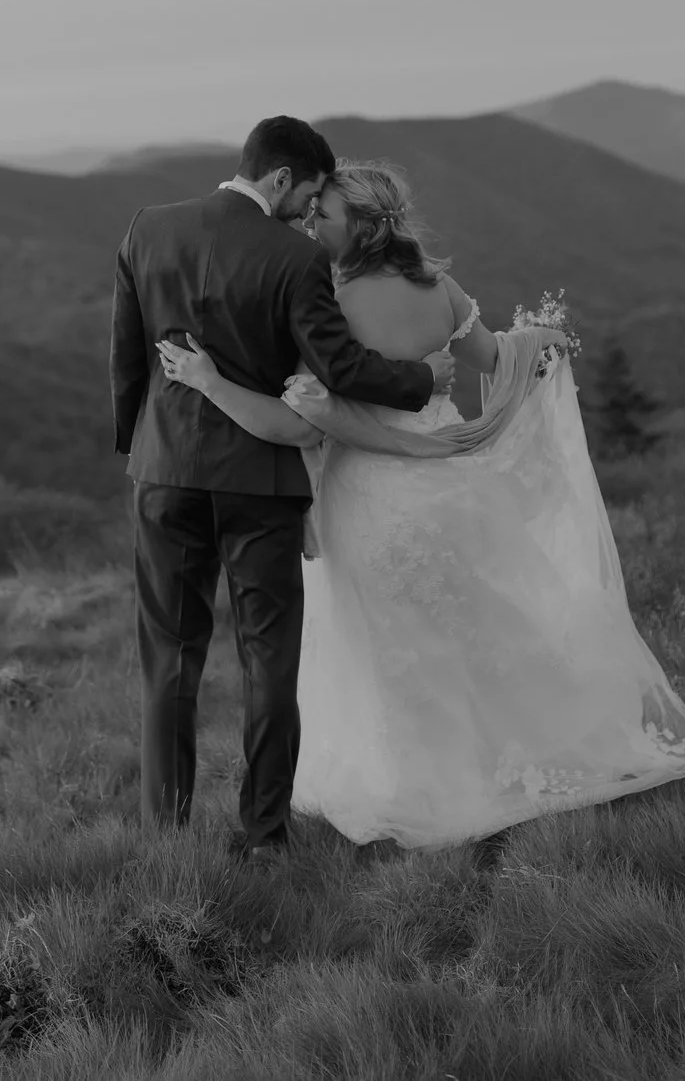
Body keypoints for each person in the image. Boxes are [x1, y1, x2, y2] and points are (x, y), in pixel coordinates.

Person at [154, 160, 685, 850]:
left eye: (323, 214)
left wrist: (208, 381)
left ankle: (418, 781)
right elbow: (495, 358)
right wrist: (540, 339)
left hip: (369, 498)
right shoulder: (439, 289)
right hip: (451, 489)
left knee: (387, 646)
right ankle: (504, 754)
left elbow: (304, 422)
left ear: (360, 227)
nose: (310, 222)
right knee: (468, 629)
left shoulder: (327, 304)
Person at [111, 117, 454, 859]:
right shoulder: (296, 258)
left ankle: (163, 837)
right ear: (280, 178)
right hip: (259, 482)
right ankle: (265, 835)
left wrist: (137, 446)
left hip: (162, 472)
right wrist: (423, 380)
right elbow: (342, 368)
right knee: (269, 661)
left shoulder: (148, 228)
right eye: (309, 192)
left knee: (170, 659)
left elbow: (127, 357)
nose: (308, 210)